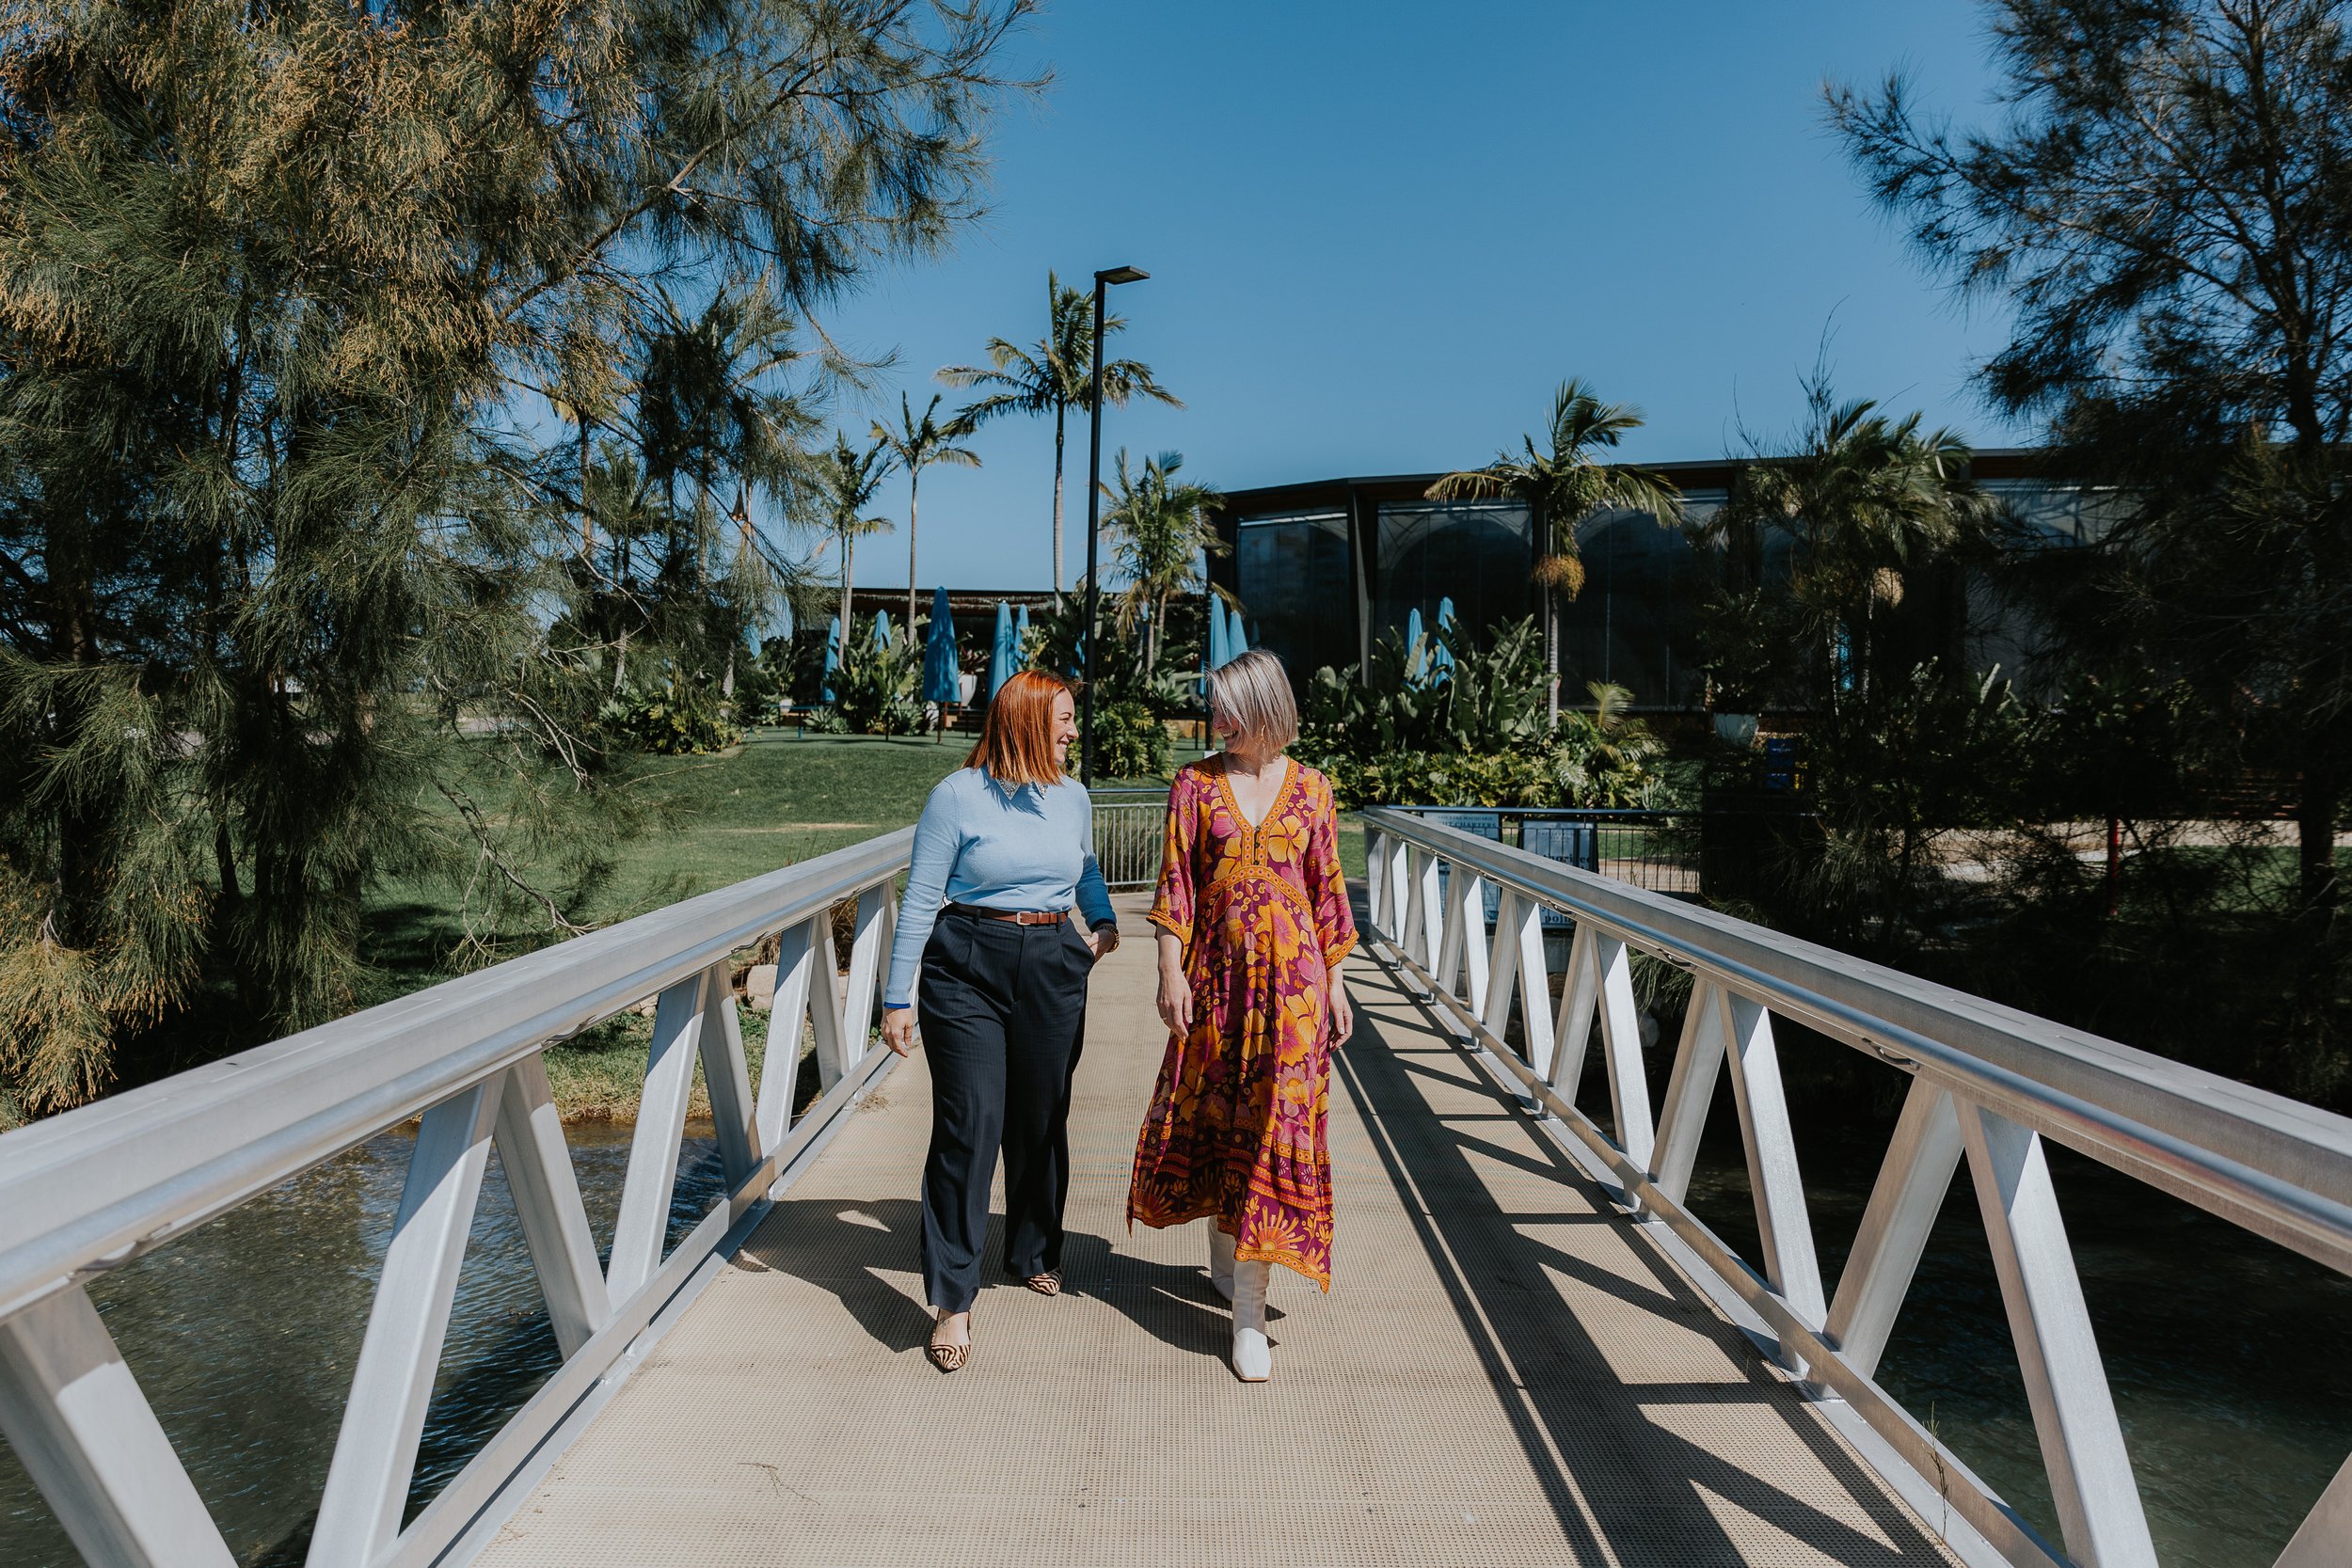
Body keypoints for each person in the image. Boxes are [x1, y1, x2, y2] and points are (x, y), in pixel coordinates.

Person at [1126, 649, 1357, 1382]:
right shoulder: (1193, 787)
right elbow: (1176, 889)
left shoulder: (1314, 790)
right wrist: (1168, 969)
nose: (1216, 721)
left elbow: (1327, 897)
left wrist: (1339, 985)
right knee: (1221, 1121)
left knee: (1274, 1134)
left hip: (1294, 999)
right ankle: (1225, 1257)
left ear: (1263, 708)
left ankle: (1248, 1315)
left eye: (1227, 707)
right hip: (1219, 987)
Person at [881, 670, 1119, 1372]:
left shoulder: (1072, 795)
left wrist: (1100, 925)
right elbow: (921, 900)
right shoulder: (956, 797)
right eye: (1065, 719)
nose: (1074, 731)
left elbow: (1085, 867)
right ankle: (953, 1299)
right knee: (970, 1123)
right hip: (968, 965)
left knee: (1041, 1118)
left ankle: (1032, 1249)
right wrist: (898, 997)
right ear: (1026, 721)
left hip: (1052, 959)